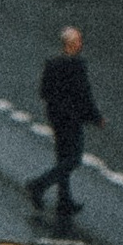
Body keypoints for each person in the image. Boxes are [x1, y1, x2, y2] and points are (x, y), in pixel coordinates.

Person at [25, 26, 103, 221]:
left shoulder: (52, 63)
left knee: (62, 158)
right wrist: (95, 117)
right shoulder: (77, 65)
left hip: (56, 117)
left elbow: (44, 91)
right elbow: (84, 94)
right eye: (78, 41)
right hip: (72, 119)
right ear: (71, 44)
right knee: (73, 159)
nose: (81, 44)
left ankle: (64, 201)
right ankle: (39, 185)